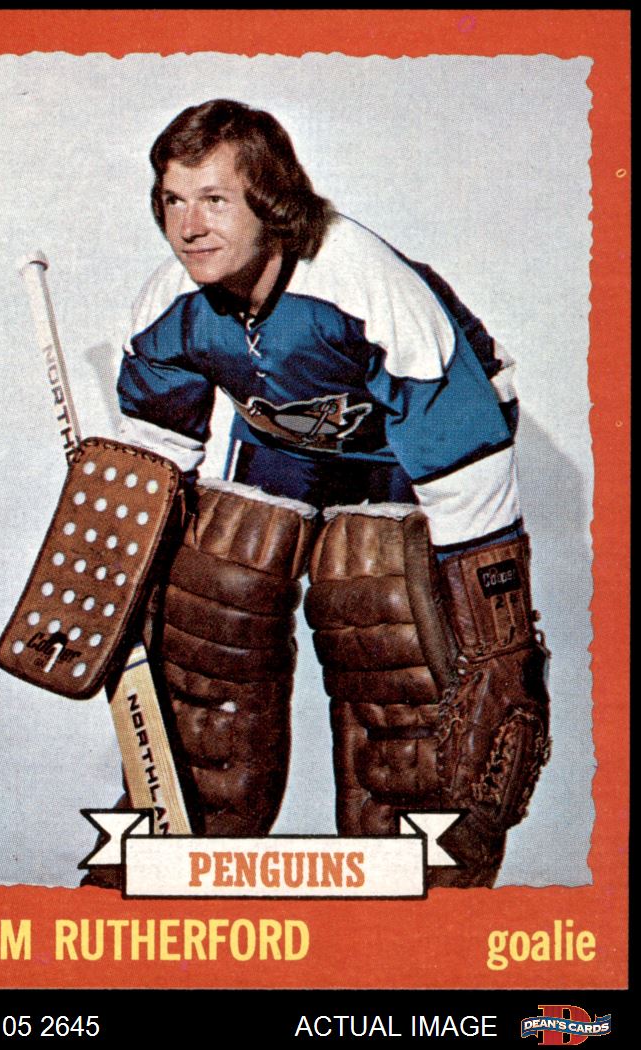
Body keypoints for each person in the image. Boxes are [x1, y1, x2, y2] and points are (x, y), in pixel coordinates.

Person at [115, 99, 551, 888]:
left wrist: (493, 638)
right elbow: (156, 451)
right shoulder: (171, 302)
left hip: (414, 448)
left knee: (383, 614)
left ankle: (418, 881)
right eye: (173, 201)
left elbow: (462, 448)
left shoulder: (360, 281)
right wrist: (125, 579)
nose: (189, 226)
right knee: (217, 582)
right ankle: (185, 839)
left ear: (271, 201)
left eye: (214, 199)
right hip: (288, 445)